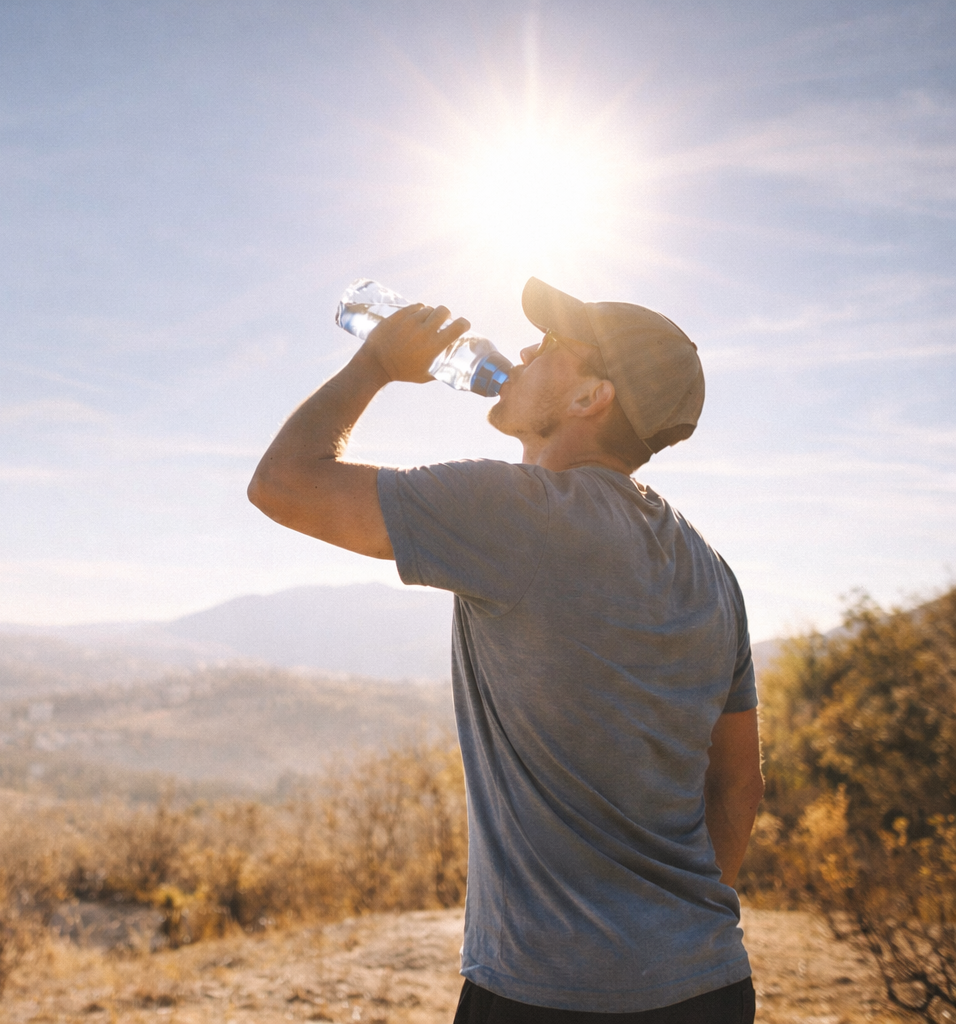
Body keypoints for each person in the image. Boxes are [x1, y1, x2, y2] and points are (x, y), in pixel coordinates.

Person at [247, 278, 764, 1021]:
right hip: (706, 983)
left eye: (552, 345)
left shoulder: (520, 515)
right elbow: (739, 787)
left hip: (547, 993)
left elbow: (283, 485)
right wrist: (660, 942)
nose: (522, 348)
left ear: (591, 398)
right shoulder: (711, 571)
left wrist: (375, 366)